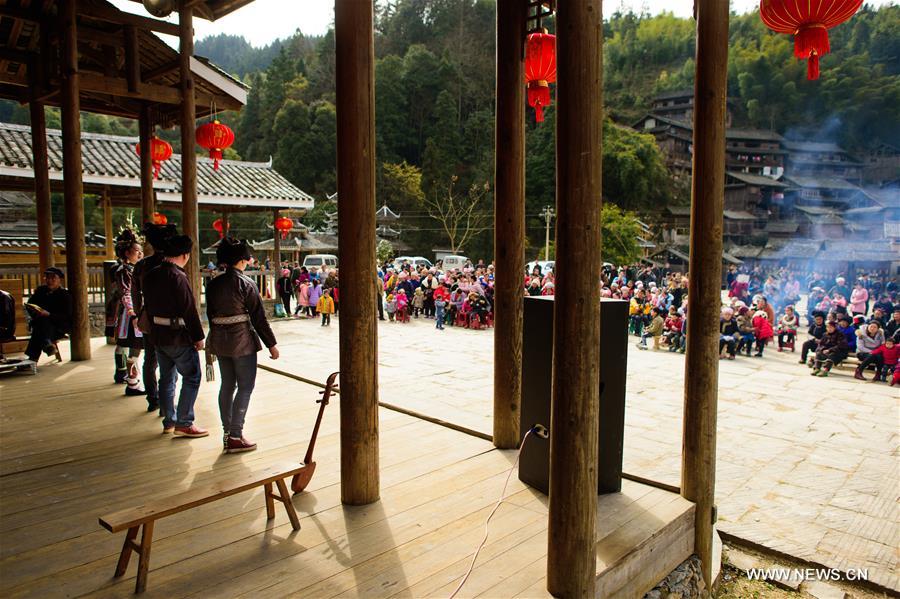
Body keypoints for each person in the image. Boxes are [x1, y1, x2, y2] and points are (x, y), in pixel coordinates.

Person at [206, 238, 278, 453]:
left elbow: (210, 315)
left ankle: (227, 433)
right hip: (242, 342)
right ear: (242, 260)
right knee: (245, 386)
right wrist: (271, 344)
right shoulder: (246, 284)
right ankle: (236, 434)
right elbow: (259, 318)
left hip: (220, 340)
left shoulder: (213, 284)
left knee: (227, 385)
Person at [143, 234, 208, 438]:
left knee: (167, 378)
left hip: (158, 335)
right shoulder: (177, 276)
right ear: (185, 255)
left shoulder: (151, 274)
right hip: (178, 336)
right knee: (191, 376)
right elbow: (188, 310)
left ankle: (169, 420)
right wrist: (198, 336)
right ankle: (185, 421)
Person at [132, 222, 177, 413]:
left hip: (149, 316)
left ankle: (153, 398)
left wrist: (137, 313)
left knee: (150, 359)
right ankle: (168, 403)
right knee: (170, 362)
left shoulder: (142, 265)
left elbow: (135, 294)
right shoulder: (170, 263)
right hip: (170, 319)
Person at [112, 230, 147, 397]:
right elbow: (126, 293)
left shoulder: (130, 269)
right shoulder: (124, 270)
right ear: (127, 253)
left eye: (141, 250)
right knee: (135, 346)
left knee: (128, 345)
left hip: (130, 311)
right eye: (136, 250)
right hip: (131, 313)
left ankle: (123, 375)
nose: (140, 253)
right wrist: (133, 314)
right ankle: (132, 383)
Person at [23, 267, 72, 365]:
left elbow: (66, 316)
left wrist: (49, 314)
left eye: (53, 278)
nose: (49, 281)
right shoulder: (41, 290)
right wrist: (36, 311)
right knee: (42, 323)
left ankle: (33, 359)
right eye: (47, 278)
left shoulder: (64, 295)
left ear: (59, 280)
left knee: (41, 326)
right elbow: (30, 304)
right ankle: (46, 344)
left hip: (58, 326)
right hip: (42, 324)